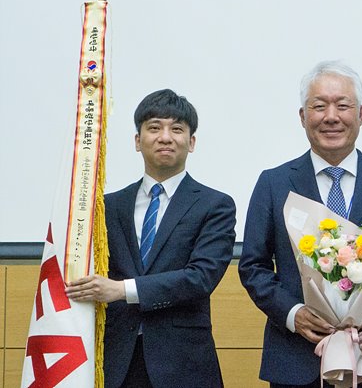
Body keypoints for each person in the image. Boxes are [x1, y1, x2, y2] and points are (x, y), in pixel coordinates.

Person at [238, 60, 362, 388]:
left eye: (343, 105)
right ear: (302, 116)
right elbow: (253, 266)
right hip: (295, 359)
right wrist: (293, 315)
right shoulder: (273, 184)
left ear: (361, 114)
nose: (331, 116)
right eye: (319, 106)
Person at [66, 89, 236, 388]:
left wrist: (122, 290)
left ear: (191, 142)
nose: (166, 137)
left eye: (177, 129)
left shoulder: (215, 205)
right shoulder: (107, 207)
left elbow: (200, 278)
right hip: (116, 360)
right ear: (137, 140)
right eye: (154, 127)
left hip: (184, 363)